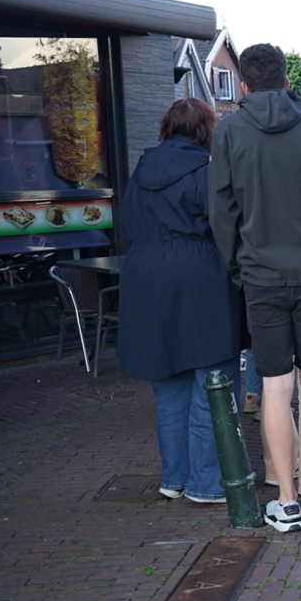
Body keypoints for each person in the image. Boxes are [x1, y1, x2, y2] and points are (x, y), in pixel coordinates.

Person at [209, 43, 301, 532]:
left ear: (245, 86)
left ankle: (288, 502)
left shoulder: (229, 131)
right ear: (288, 81)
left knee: (274, 387)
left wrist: (239, 267)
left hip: (260, 278)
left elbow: (222, 213)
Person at [118, 97, 243, 505]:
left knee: (167, 381)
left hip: (145, 280)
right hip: (199, 279)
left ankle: (173, 478)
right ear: (207, 130)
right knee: (212, 380)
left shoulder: (139, 172)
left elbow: (128, 224)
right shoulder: (207, 172)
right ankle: (207, 483)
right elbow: (224, 226)